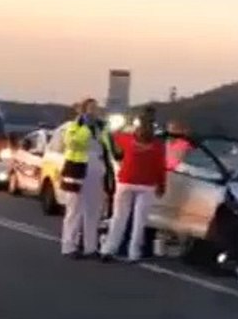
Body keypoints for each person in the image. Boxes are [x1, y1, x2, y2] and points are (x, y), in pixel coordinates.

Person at [100, 107, 166, 263]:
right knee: (139, 221)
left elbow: (112, 135)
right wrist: (162, 185)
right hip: (147, 185)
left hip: (126, 181)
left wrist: (123, 125)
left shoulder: (127, 139)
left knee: (118, 218)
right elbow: (160, 167)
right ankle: (134, 252)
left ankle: (109, 248)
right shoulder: (158, 146)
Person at [60, 98, 120, 258]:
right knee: (75, 209)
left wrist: (116, 156)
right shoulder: (75, 125)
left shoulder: (102, 127)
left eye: (96, 107)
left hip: (97, 167)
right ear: (84, 109)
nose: (94, 110)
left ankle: (90, 247)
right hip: (78, 168)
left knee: (94, 210)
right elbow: (72, 143)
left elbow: (109, 146)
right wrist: (86, 128)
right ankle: (69, 246)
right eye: (90, 108)